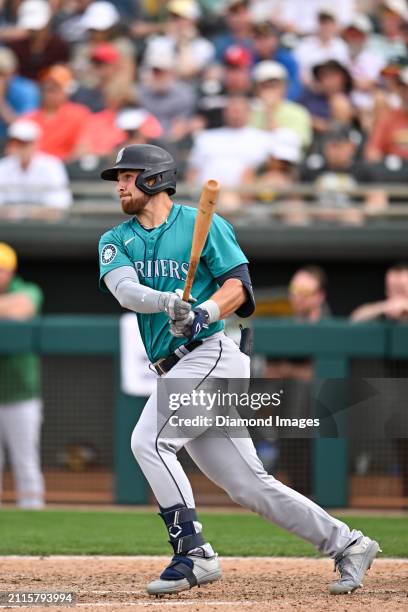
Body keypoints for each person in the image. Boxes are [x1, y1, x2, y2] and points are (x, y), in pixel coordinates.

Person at [98, 142, 380, 596]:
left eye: (127, 176)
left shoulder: (200, 223)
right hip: (175, 366)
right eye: (119, 179)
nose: (120, 185)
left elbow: (238, 287)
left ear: (154, 178)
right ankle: (349, 543)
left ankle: (193, 553)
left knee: (149, 441)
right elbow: (125, 290)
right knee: (249, 484)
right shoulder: (115, 240)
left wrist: (203, 311)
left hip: (209, 352)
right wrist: (168, 301)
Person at [0, 243, 44, 508]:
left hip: (21, 393)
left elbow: (22, 308)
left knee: (26, 462)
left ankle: (35, 522)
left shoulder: (28, 290)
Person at [0, 119, 72, 215]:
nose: (20, 147)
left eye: (25, 143)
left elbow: (60, 202)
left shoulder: (52, 165)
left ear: (35, 143)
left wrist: (33, 214)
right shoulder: (3, 166)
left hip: (43, 225)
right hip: (9, 225)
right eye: (16, 142)